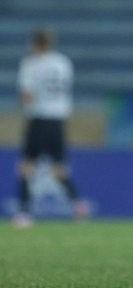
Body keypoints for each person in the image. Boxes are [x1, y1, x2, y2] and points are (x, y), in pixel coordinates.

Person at [12, 29, 87, 229]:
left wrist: (25, 103)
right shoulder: (63, 62)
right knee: (58, 169)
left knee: (26, 167)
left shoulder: (30, 64)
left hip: (39, 118)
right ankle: (77, 203)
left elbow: (26, 95)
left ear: (34, 43)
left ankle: (24, 213)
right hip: (58, 120)